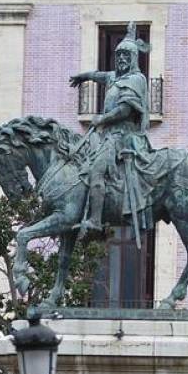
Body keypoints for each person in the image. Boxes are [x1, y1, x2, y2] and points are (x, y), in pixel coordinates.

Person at [69, 22, 153, 236]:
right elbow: (100, 75)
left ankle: (95, 221)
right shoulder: (115, 77)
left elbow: (125, 110)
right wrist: (84, 76)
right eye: (119, 56)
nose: (122, 60)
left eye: (126, 56)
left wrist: (102, 119)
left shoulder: (136, 79)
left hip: (123, 136)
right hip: (107, 135)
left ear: (134, 59)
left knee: (97, 171)